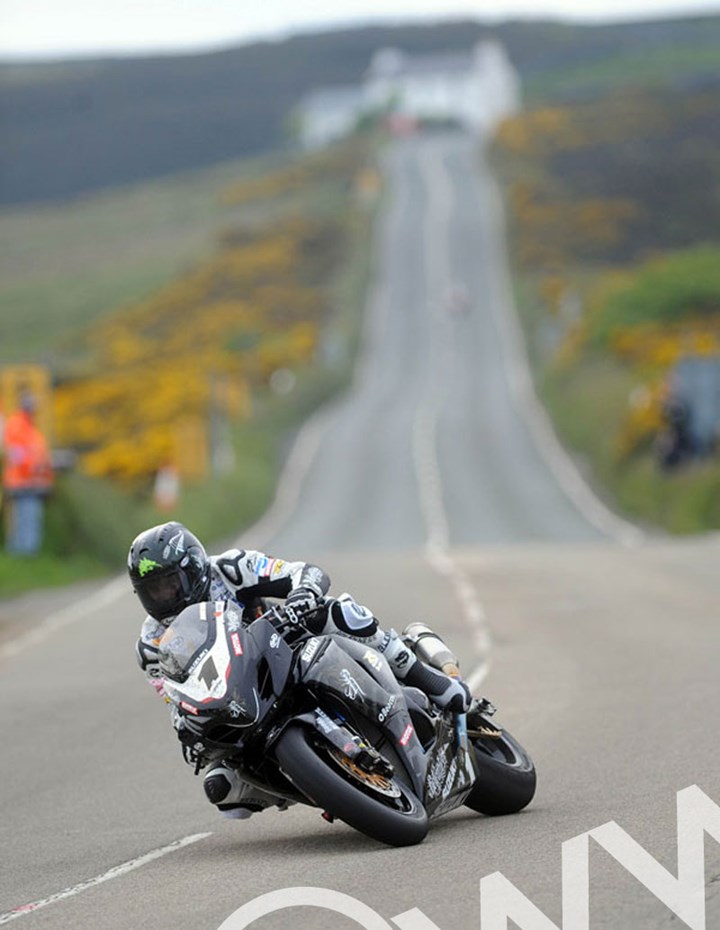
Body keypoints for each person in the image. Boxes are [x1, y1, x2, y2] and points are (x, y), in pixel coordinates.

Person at [129, 521, 472, 820]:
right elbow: (173, 696)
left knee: (337, 611)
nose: (164, 598)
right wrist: (187, 726)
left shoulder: (231, 569)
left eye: (170, 584)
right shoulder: (151, 644)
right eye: (153, 591)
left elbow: (303, 572)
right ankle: (324, 787)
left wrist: (304, 594)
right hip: (236, 699)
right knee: (221, 789)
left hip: (285, 647)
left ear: (195, 569)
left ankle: (424, 676)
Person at [1, 390, 54, 555]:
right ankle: (23, 554)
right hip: (20, 482)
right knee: (24, 520)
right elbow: (16, 454)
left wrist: (43, 471)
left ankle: (26, 555)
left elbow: (38, 455)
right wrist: (33, 469)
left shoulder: (31, 429)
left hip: (30, 483)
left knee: (28, 520)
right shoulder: (17, 426)